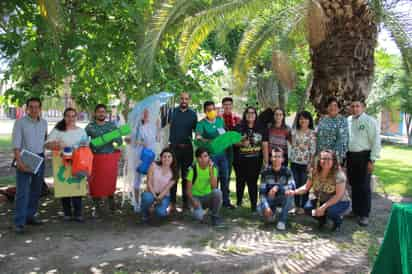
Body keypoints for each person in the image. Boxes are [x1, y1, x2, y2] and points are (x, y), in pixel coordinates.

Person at [287, 150, 351, 232]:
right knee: (308, 209)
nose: (326, 161)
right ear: (319, 160)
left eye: (329, 159)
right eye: (323, 158)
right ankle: (322, 220)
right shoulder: (314, 171)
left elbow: (338, 196)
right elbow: (306, 188)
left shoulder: (339, 174)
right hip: (320, 199)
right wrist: (294, 192)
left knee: (330, 211)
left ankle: (337, 221)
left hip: (339, 201)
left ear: (333, 161)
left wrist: (323, 207)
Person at [45, 108, 88, 222]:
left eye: (73, 116)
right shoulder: (58, 130)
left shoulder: (81, 131)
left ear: (76, 117)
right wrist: (58, 144)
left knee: (77, 187)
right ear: (64, 117)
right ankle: (67, 214)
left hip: (78, 162)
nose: (70, 118)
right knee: (64, 187)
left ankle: (78, 213)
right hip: (61, 163)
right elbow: (47, 144)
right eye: (68, 116)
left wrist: (83, 147)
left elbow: (86, 146)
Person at [12, 98, 48, 233]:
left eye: (37, 107)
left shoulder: (44, 123)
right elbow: (16, 145)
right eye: (31, 107)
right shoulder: (20, 122)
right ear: (27, 108)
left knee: (36, 190)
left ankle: (30, 216)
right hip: (25, 157)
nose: (34, 109)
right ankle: (19, 222)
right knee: (22, 192)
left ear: (40, 109)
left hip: (40, 158)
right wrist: (19, 161)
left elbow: (44, 140)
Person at [347, 100, 381, 226]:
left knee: (364, 186)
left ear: (363, 108)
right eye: (353, 106)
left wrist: (372, 160)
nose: (355, 108)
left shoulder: (370, 121)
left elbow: (376, 141)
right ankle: (355, 211)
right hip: (351, 156)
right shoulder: (348, 120)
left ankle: (364, 214)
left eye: (358, 106)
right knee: (354, 184)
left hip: (364, 156)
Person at [85, 104, 123, 217]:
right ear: (95, 113)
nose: (102, 114)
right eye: (99, 112)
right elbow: (83, 141)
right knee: (95, 181)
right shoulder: (90, 127)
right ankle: (96, 206)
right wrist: (94, 143)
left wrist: (112, 138)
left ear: (106, 114)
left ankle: (111, 202)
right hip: (95, 158)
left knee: (110, 179)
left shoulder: (111, 126)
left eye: (103, 112)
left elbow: (119, 142)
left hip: (109, 158)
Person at [195, 101, 234, 209]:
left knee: (225, 178)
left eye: (213, 109)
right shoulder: (201, 124)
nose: (211, 111)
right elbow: (198, 138)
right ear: (205, 111)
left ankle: (226, 202)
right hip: (211, 156)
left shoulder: (220, 121)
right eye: (209, 110)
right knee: (213, 179)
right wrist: (210, 141)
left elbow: (224, 135)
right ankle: (213, 203)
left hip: (223, 155)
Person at [234, 107, 268, 212]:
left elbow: (265, 145)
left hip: (255, 161)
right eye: (248, 113)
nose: (250, 114)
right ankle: (239, 203)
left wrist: (266, 162)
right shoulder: (239, 127)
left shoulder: (261, 128)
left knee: (252, 182)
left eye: (253, 113)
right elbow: (233, 142)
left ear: (256, 115)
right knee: (240, 181)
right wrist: (241, 143)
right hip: (240, 160)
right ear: (245, 115)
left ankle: (253, 206)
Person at [168, 92, 197, 212]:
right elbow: (164, 127)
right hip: (174, 148)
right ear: (179, 100)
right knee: (174, 176)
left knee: (186, 177)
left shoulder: (193, 114)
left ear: (189, 100)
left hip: (187, 149)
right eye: (182, 98)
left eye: (186, 98)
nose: (184, 100)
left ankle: (186, 203)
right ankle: (173, 203)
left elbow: (197, 131)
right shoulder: (172, 112)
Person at [258, 147, 295, 231]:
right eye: (274, 156)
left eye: (279, 157)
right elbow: (262, 193)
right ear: (271, 158)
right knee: (260, 210)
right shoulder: (265, 172)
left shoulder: (287, 171)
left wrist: (277, 187)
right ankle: (273, 212)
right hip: (270, 198)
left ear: (282, 159)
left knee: (289, 193)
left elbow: (292, 186)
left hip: (283, 198)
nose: (276, 159)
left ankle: (282, 220)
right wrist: (266, 207)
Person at [186, 147, 223, 226]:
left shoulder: (213, 169)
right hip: (195, 197)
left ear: (209, 157)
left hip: (207, 197)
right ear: (197, 159)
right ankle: (198, 211)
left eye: (205, 156)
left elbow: (214, 187)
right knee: (199, 216)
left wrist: (211, 171)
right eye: (200, 157)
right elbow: (188, 191)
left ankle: (214, 216)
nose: (203, 159)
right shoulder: (192, 169)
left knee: (218, 192)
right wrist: (193, 201)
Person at [132, 108, 160, 210]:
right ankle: (136, 202)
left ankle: (150, 202)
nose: (145, 114)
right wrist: (139, 142)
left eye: (147, 112)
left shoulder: (153, 125)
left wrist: (158, 128)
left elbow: (157, 139)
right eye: (143, 112)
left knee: (151, 178)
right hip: (139, 155)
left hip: (151, 154)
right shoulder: (136, 126)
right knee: (137, 178)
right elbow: (127, 139)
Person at [140, 148, 178, 222]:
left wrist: (154, 203)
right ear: (161, 158)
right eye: (164, 156)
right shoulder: (153, 165)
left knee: (161, 213)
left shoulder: (174, 173)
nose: (166, 158)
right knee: (147, 198)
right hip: (151, 192)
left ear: (172, 158)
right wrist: (154, 197)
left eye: (169, 156)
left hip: (163, 196)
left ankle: (156, 212)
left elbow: (166, 190)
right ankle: (145, 214)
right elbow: (149, 183)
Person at [290, 111, 316, 214]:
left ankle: (303, 207)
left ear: (309, 120)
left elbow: (313, 151)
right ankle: (296, 206)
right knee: (295, 184)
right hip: (294, 162)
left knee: (305, 185)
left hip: (306, 163)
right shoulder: (294, 131)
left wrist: (310, 164)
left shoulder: (312, 133)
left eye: (305, 118)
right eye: (301, 119)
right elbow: (292, 146)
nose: (303, 121)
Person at [316, 97, 349, 165]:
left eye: (335, 105)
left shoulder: (342, 120)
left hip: (335, 157)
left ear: (339, 108)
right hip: (321, 155)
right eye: (330, 105)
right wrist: (319, 153)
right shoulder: (322, 119)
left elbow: (342, 139)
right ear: (326, 108)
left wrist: (331, 154)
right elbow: (318, 137)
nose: (332, 107)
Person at [221, 97, 241, 182]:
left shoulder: (237, 119)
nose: (227, 106)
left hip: (236, 148)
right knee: (222, 171)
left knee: (236, 172)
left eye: (229, 104)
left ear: (232, 106)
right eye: (225, 104)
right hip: (223, 148)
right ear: (222, 106)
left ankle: (226, 191)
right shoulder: (219, 118)